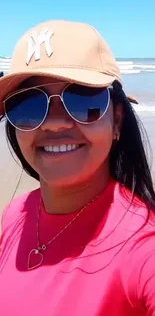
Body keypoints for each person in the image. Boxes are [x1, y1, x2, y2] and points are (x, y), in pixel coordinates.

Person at [0, 20, 155, 316]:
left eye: (83, 99)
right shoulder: (15, 215)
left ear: (118, 120)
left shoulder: (142, 246)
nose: (56, 123)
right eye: (28, 105)